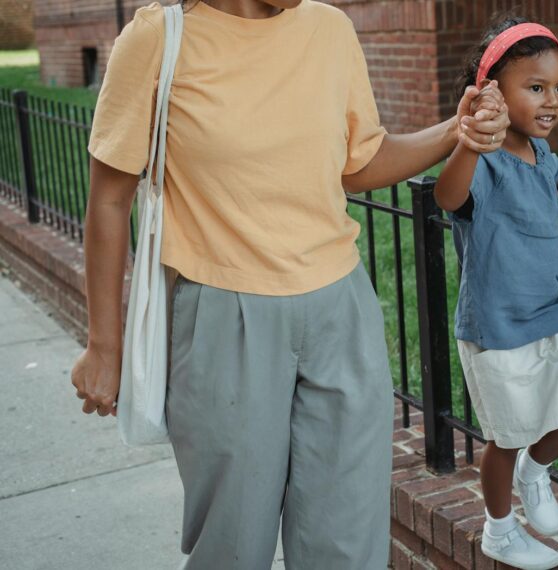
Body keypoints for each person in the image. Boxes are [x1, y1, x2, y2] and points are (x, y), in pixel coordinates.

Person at [69, 1, 510, 568]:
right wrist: (103, 346)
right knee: (233, 545)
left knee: (348, 545)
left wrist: (456, 130)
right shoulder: (157, 37)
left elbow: (360, 161)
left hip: (341, 310)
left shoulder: (330, 29)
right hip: (225, 320)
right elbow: (109, 199)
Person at [434, 15, 558, 570]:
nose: (552, 100)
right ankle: (500, 531)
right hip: (499, 326)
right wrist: (471, 141)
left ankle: (536, 471)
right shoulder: (485, 156)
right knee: (507, 436)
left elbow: (554, 171)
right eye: (536, 87)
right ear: (494, 94)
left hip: (554, 312)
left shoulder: (540, 150)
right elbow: (448, 197)